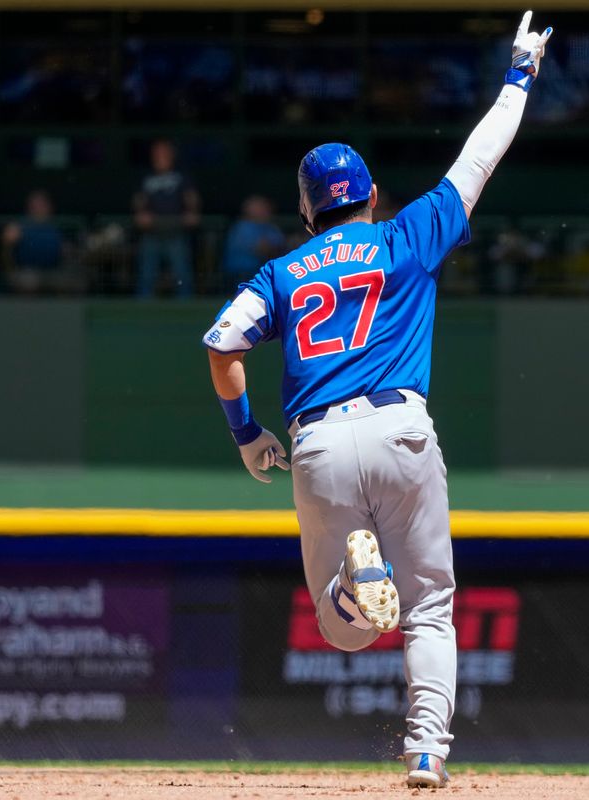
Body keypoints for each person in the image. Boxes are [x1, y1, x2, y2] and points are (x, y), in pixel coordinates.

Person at [202, 12, 552, 789]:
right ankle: (427, 750)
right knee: (430, 606)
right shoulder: (406, 236)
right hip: (401, 428)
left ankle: (352, 594)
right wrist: (519, 75)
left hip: (319, 441)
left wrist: (245, 432)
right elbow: (478, 158)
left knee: (344, 630)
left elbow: (223, 345)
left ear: (305, 208)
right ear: (368, 195)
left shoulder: (283, 272)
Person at [134, 139, 200, 298]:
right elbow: (139, 200)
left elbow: (191, 197)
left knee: (182, 274)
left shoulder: (181, 176)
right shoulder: (147, 177)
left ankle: (186, 307)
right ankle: (142, 308)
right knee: (146, 274)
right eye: (157, 153)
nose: (160, 156)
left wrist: (192, 212)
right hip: (152, 232)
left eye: (164, 152)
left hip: (175, 230)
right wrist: (140, 212)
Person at [2, 189, 81, 294]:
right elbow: (6, 255)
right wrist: (7, 242)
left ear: (49, 206)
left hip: (55, 270)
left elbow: (70, 251)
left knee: (75, 282)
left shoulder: (58, 226)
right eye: (35, 204)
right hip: (28, 271)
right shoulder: (19, 225)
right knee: (28, 282)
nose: (38, 208)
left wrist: (69, 251)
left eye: (42, 204)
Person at [220, 195, 284, 290]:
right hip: (240, 275)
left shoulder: (271, 228)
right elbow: (261, 249)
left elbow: (281, 248)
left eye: (265, 207)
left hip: (266, 273)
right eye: (259, 207)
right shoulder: (242, 227)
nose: (264, 210)